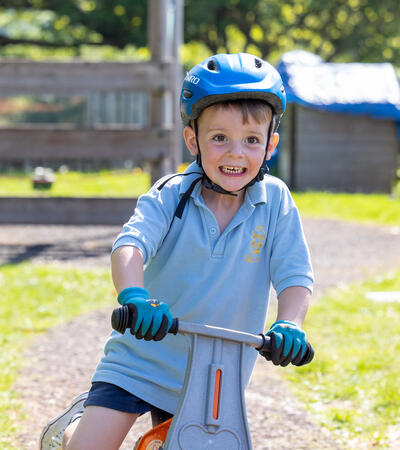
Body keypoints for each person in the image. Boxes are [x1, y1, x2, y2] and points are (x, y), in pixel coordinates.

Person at [40, 52, 314, 450]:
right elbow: (130, 245)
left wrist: (290, 323)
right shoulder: (172, 193)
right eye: (219, 138)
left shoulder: (276, 202)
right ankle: (70, 431)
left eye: (251, 140)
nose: (236, 153)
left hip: (212, 375)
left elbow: (295, 275)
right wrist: (134, 297)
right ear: (193, 140)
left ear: (270, 145)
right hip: (140, 358)